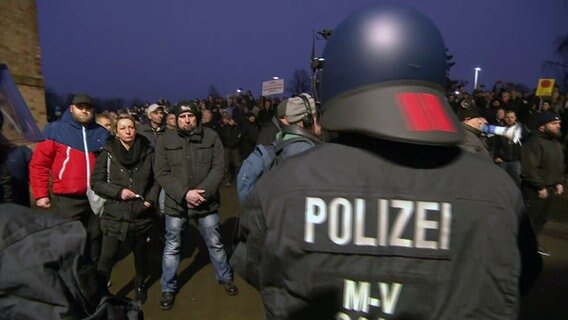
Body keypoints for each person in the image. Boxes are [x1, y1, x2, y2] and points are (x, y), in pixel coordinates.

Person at [231, 4, 539, 319]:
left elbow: (253, 267)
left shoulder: (281, 187)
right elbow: (521, 276)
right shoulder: (497, 191)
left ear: (337, 78)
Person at [154, 100, 238, 311]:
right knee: (172, 246)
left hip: (205, 202)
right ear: (176, 119)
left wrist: (203, 192)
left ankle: (225, 277)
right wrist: (184, 194)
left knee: (215, 242)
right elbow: (161, 173)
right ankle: (168, 288)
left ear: (196, 117)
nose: (187, 119)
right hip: (176, 203)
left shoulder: (211, 137)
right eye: (182, 117)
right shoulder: (165, 140)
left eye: (190, 116)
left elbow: (219, 168)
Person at [29, 94, 110, 263]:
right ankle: (70, 272)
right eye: (80, 107)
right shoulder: (55, 129)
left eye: (88, 107)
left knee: (95, 236)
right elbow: (40, 164)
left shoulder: (101, 133)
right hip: (67, 197)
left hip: (96, 196)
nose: (85, 110)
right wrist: (41, 194)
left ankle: (91, 273)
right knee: (67, 237)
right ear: (71, 108)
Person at [91, 114, 159, 304]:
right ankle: (101, 294)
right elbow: (96, 182)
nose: (128, 131)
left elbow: (156, 180)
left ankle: (139, 285)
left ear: (135, 129)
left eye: (131, 127)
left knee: (141, 255)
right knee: (107, 258)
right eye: (123, 128)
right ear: (116, 131)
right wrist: (118, 192)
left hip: (141, 213)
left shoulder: (148, 151)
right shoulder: (108, 152)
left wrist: (150, 202)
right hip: (115, 213)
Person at [521, 112, 564, 256]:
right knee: (530, 221)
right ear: (541, 127)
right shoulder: (534, 143)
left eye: (558, 123)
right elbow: (529, 168)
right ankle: (524, 247)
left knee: (542, 219)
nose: (558, 126)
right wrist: (539, 186)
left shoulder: (555, 142)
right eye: (553, 123)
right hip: (536, 190)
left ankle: (531, 244)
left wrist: (559, 181)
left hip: (550, 188)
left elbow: (557, 164)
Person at [494, 110, 523, 185]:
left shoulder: (522, 130)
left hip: (516, 161)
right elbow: (495, 145)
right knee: (501, 182)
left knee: (517, 182)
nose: (510, 119)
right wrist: (496, 156)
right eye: (507, 117)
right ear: (504, 118)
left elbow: (527, 144)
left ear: (515, 118)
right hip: (502, 160)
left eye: (512, 117)